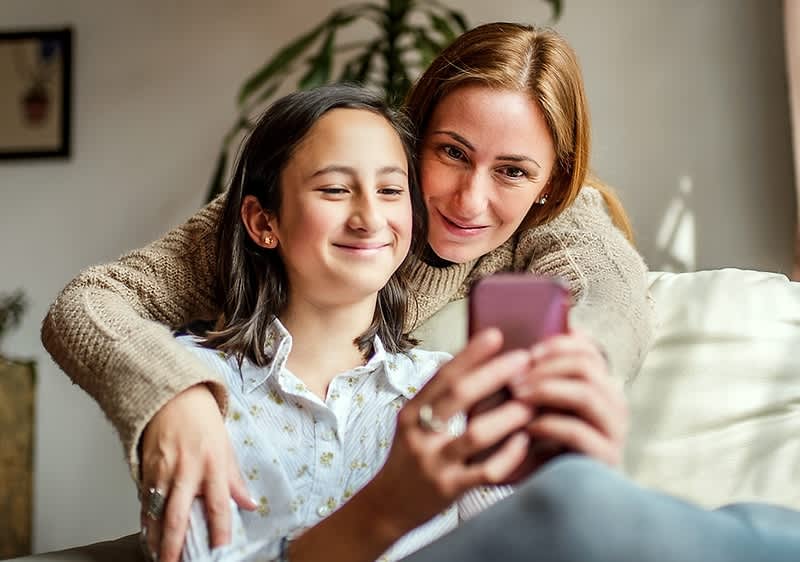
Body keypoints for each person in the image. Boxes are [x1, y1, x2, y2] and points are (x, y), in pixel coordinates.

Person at [42, 23, 644, 562]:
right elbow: (91, 303)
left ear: (549, 183)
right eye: (450, 153)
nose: (469, 201)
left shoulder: (550, 219)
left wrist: (564, 378)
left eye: (513, 171)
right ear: (412, 142)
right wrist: (174, 394)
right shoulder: (290, 214)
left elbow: (610, 297)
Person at [164, 82, 552, 561]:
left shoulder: (447, 388)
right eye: (335, 189)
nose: (369, 217)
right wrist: (382, 512)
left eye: (391, 190)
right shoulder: (186, 386)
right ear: (264, 222)